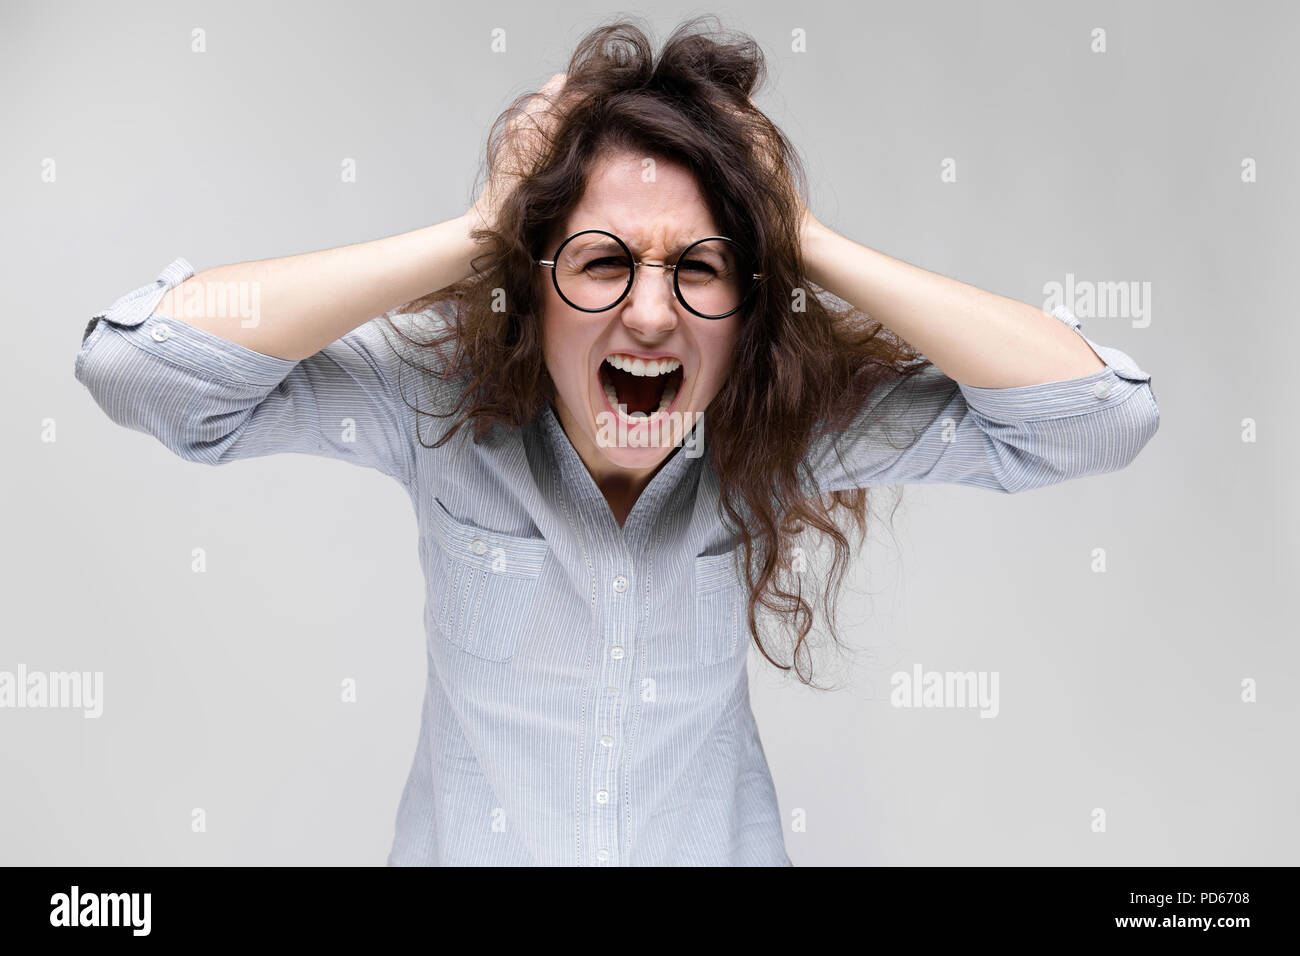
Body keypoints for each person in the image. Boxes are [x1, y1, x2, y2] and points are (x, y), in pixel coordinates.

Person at [73, 17, 1159, 866]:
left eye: (697, 267)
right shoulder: (434, 409)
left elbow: (1097, 419)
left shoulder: (774, 427)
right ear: (531, 286)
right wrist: (475, 226)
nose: (649, 313)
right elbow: (141, 369)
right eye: (600, 261)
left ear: (746, 303)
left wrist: (805, 237)